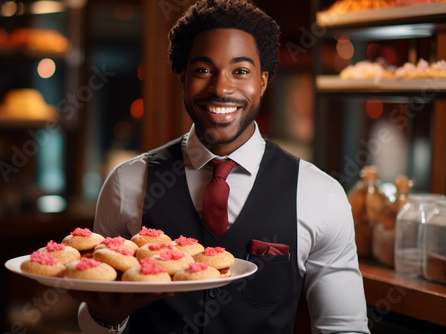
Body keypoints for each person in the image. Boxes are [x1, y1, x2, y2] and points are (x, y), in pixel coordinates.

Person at [74, 0, 370, 333]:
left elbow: (343, 328)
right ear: (182, 76)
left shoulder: (320, 194)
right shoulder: (126, 183)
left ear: (263, 80)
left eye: (240, 71)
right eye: (203, 70)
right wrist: (108, 315)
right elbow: (94, 321)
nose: (221, 88)